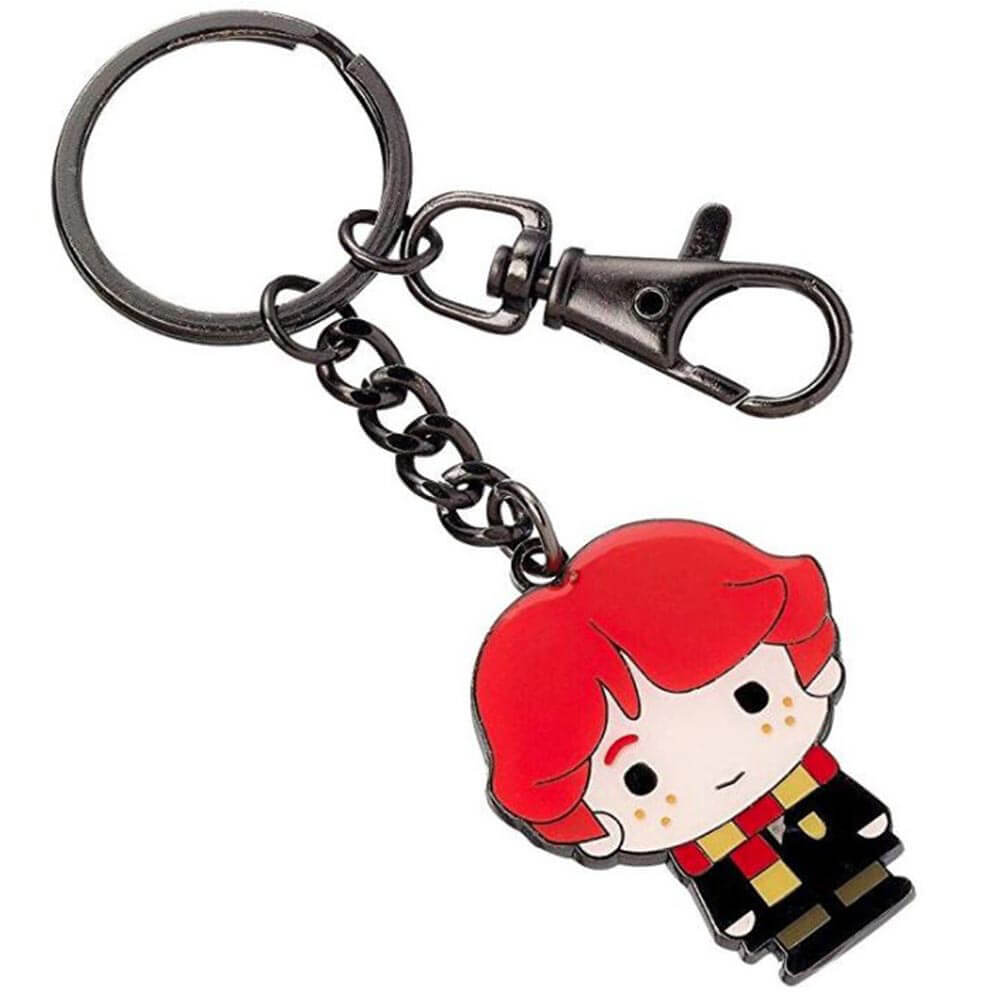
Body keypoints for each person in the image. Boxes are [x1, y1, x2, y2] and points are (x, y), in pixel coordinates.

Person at [474, 520, 913, 982]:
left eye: (752, 697)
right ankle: (803, 935)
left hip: (827, 828)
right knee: (783, 905)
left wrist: (864, 819)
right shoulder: (706, 845)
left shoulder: (808, 777)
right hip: (760, 883)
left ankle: (871, 889)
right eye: (639, 779)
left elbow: (841, 798)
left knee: (850, 859)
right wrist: (734, 911)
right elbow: (718, 881)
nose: (722, 767)